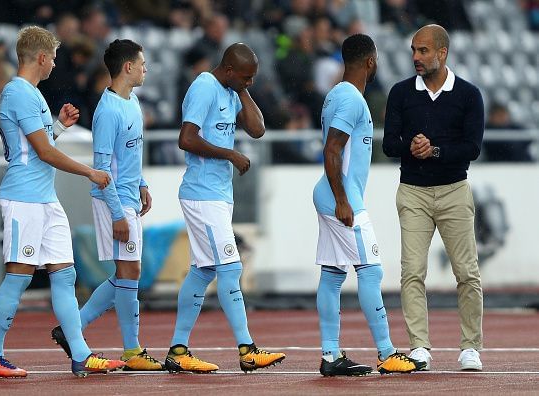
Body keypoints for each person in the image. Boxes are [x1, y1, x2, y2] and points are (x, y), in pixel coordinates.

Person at [0, 26, 125, 378]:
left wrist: (58, 127)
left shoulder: (30, 94)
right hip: (24, 198)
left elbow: (40, 144)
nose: (55, 64)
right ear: (42, 57)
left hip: (44, 198)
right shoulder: (19, 94)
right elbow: (43, 153)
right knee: (19, 276)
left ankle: (81, 354)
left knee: (65, 274)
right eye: (54, 58)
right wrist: (89, 172)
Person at [165, 43, 286, 373]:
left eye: (253, 79)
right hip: (202, 193)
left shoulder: (232, 90)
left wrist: (243, 90)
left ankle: (177, 350)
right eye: (246, 77)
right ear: (228, 70)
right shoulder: (204, 87)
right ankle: (247, 349)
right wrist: (230, 154)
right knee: (231, 268)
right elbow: (186, 139)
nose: (250, 83)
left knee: (203, 271)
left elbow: (258, 129)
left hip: (217, 194)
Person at [313, 33, 424, 377]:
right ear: (371, 61)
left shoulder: (336, 93)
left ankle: (331, 355)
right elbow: (332, 149)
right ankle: (387, 353)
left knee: (332, 275)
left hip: (331, 193)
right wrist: (344, 201)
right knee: (371, 270)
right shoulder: (351, 100)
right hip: (342, 197)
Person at [50, 39, 164, 371]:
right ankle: (130, 350)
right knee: (130, 271)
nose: (145, 69)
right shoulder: (108, 111)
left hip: (129, 195)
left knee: (128, 272)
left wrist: (142, 183)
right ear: (127, 67)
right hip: (112, 199)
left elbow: (130, 155)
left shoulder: (133, 103)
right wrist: (116, 212)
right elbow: (101, 169)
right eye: (142, 63)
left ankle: (73, 331)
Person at [382, 24, 484, 371]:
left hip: (455, 190)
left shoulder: (469, 95)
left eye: (423, 51)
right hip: (412, 192)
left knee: (467, 272)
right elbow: (388, 145)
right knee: (411, 271)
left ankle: (470, 346)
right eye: (414, 50)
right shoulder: (400, 93)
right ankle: (419, 345)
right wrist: (411, 147)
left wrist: (435, 150)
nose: (416, 57)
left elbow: (472, 148)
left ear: (442, 53)